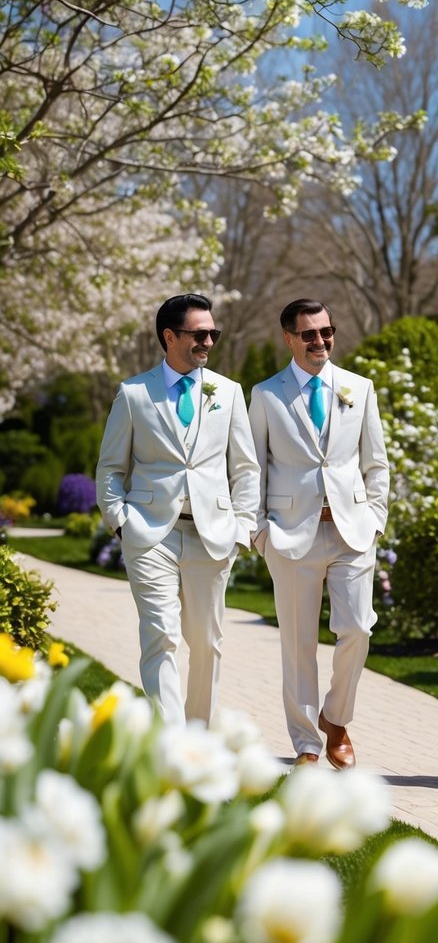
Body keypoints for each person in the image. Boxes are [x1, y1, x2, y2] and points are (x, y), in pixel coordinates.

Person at [96, 293, 259, 724]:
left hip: (213, 535)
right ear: (170, 336)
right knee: (161, 636)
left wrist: (241, 528)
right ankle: (169, 746)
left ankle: (199, 738)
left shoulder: (228, 391)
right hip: (150, 534)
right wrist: (120, 523)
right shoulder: (133, 394)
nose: (208, 341)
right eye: (199, 334)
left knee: (207, 643)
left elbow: (245, 467)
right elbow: (110, 468)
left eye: (213, 333)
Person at [248, 298, 389, 769]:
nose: (320, 342)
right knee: (298, 645)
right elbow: (252, 469)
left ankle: (336, 718)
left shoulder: (359, 387)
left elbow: (376, 462)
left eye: (326, 332)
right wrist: (259, 531)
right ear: (289, 338)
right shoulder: (266, 395)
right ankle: (307, 743)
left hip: (352, 532)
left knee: (358, 630)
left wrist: (375, 520)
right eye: (309, 334)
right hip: (289, 535)